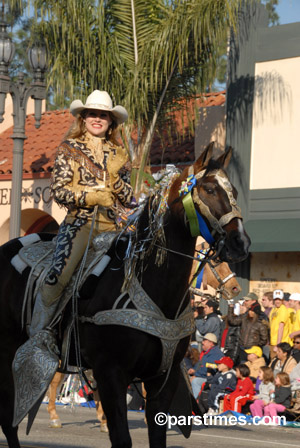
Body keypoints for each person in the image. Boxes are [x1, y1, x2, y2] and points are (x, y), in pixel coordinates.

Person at [29, 90, 133, 345]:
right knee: (59, 275)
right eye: (92, 114)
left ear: (111, 122)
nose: (97, 119)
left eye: (103, 115)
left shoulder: (118, 153)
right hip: (81, 223)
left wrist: (116, 179)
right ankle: (39, 334)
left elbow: (129, 196)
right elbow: (59, 190)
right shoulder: (69, 148)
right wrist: (92, 196)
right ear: (83, 118)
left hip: (115, 225)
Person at [189, 333, 223, 399]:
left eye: (204, 340)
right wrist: (193, 370)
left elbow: (207, 369)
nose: (202, 342)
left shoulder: (216, 354)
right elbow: (199, 364)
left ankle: (196, 403)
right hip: (202, 375)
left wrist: (195, 374)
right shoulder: (206, 352)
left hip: (211, 379)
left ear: (211, 343)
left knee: (196, 381)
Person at [269, 289, 290, 359]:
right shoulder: (274, 309)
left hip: (279, 343)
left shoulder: (283, 310)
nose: (277, 301)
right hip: (273, 341)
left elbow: (281, 327)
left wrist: (278, 345)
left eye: (279, 299)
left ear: (283, 300)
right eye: (276, 299)